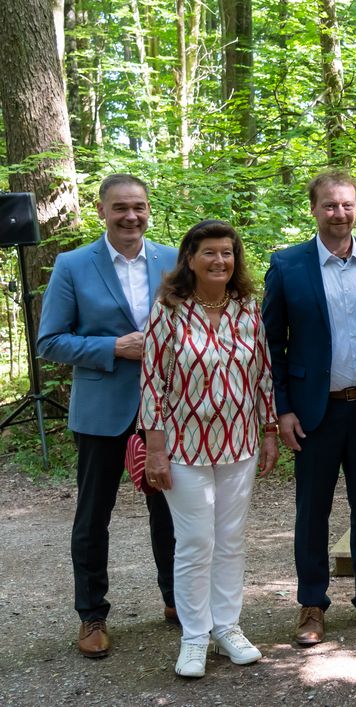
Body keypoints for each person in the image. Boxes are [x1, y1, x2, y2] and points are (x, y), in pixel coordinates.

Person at [262, 171, 356, 646]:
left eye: (347, 205)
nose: (339, 213)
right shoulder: (288, 265)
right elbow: (272, 345)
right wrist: (282, 409)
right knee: (313, 511)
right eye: (330, 205)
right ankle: (312, 603)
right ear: (313, 209)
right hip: (315, 412)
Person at [37, 174, 177, 659]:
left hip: (167, 409)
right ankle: (92, 615)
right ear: (101, 211)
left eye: (138, 206)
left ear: (149, 209)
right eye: (120, 207)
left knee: (171, 512)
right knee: (94, 517)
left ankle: (176, 599)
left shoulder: (173, 260)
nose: (130, 216)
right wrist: (113, 347)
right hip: (101, 412)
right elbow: (50, 341)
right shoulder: (73, 265)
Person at [139, 220, 278, 678]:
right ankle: (194, 636)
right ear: (190, 259)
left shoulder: (247, 307)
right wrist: (155, 448)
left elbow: (263, 374)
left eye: (227, 253)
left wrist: (270, 431)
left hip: (240, 442)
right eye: (210, 253)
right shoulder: (169, 309)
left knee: (231, 539)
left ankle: (227, 627)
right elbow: (152, 381)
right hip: (183, 446)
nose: (220, 261)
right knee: (196, 541)